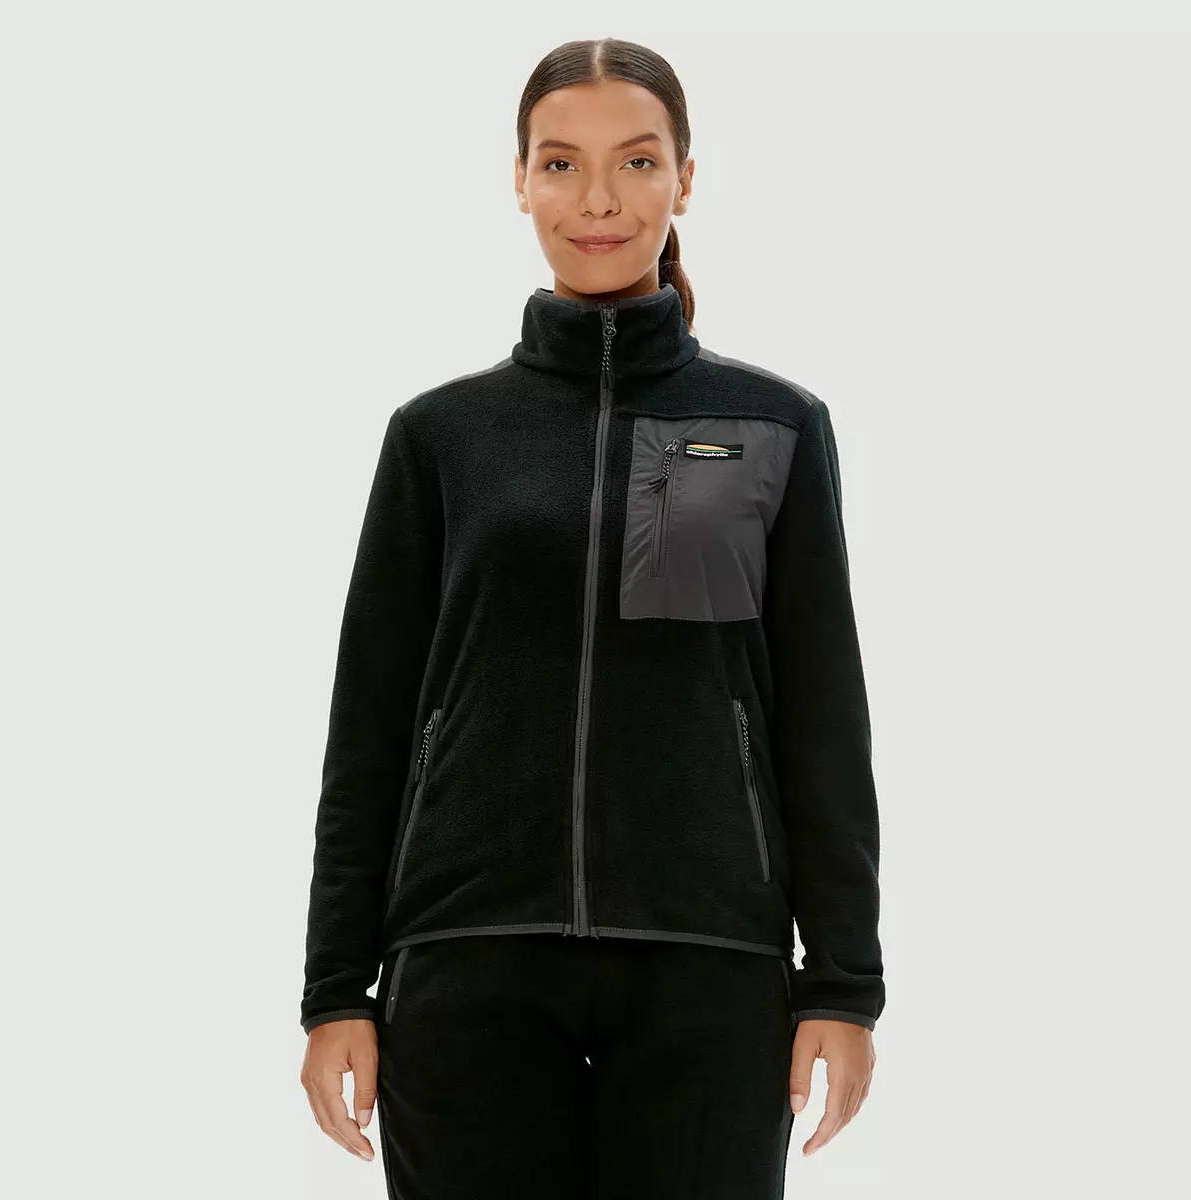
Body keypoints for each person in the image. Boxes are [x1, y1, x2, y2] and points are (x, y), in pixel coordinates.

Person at [299, 36, 885, 1200]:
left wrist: (843, 981)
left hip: (707, 965)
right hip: (468, 962)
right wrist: (335, 991)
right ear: (518, 180)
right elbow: (369, 723)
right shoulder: (441, 437)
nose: (600, 200)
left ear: (686, 179)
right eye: (561, 164)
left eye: (638, 161)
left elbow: (822, 715)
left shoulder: (765, 426)